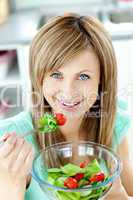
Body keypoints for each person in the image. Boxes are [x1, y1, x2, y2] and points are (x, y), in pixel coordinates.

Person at [0, 13, 132, 200]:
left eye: (83, 76)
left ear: (101, 81)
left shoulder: (113, 123)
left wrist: (117, 193)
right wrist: (11, 185)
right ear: (39, 77)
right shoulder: (12, 141)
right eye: (56, 74)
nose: (68, 91)